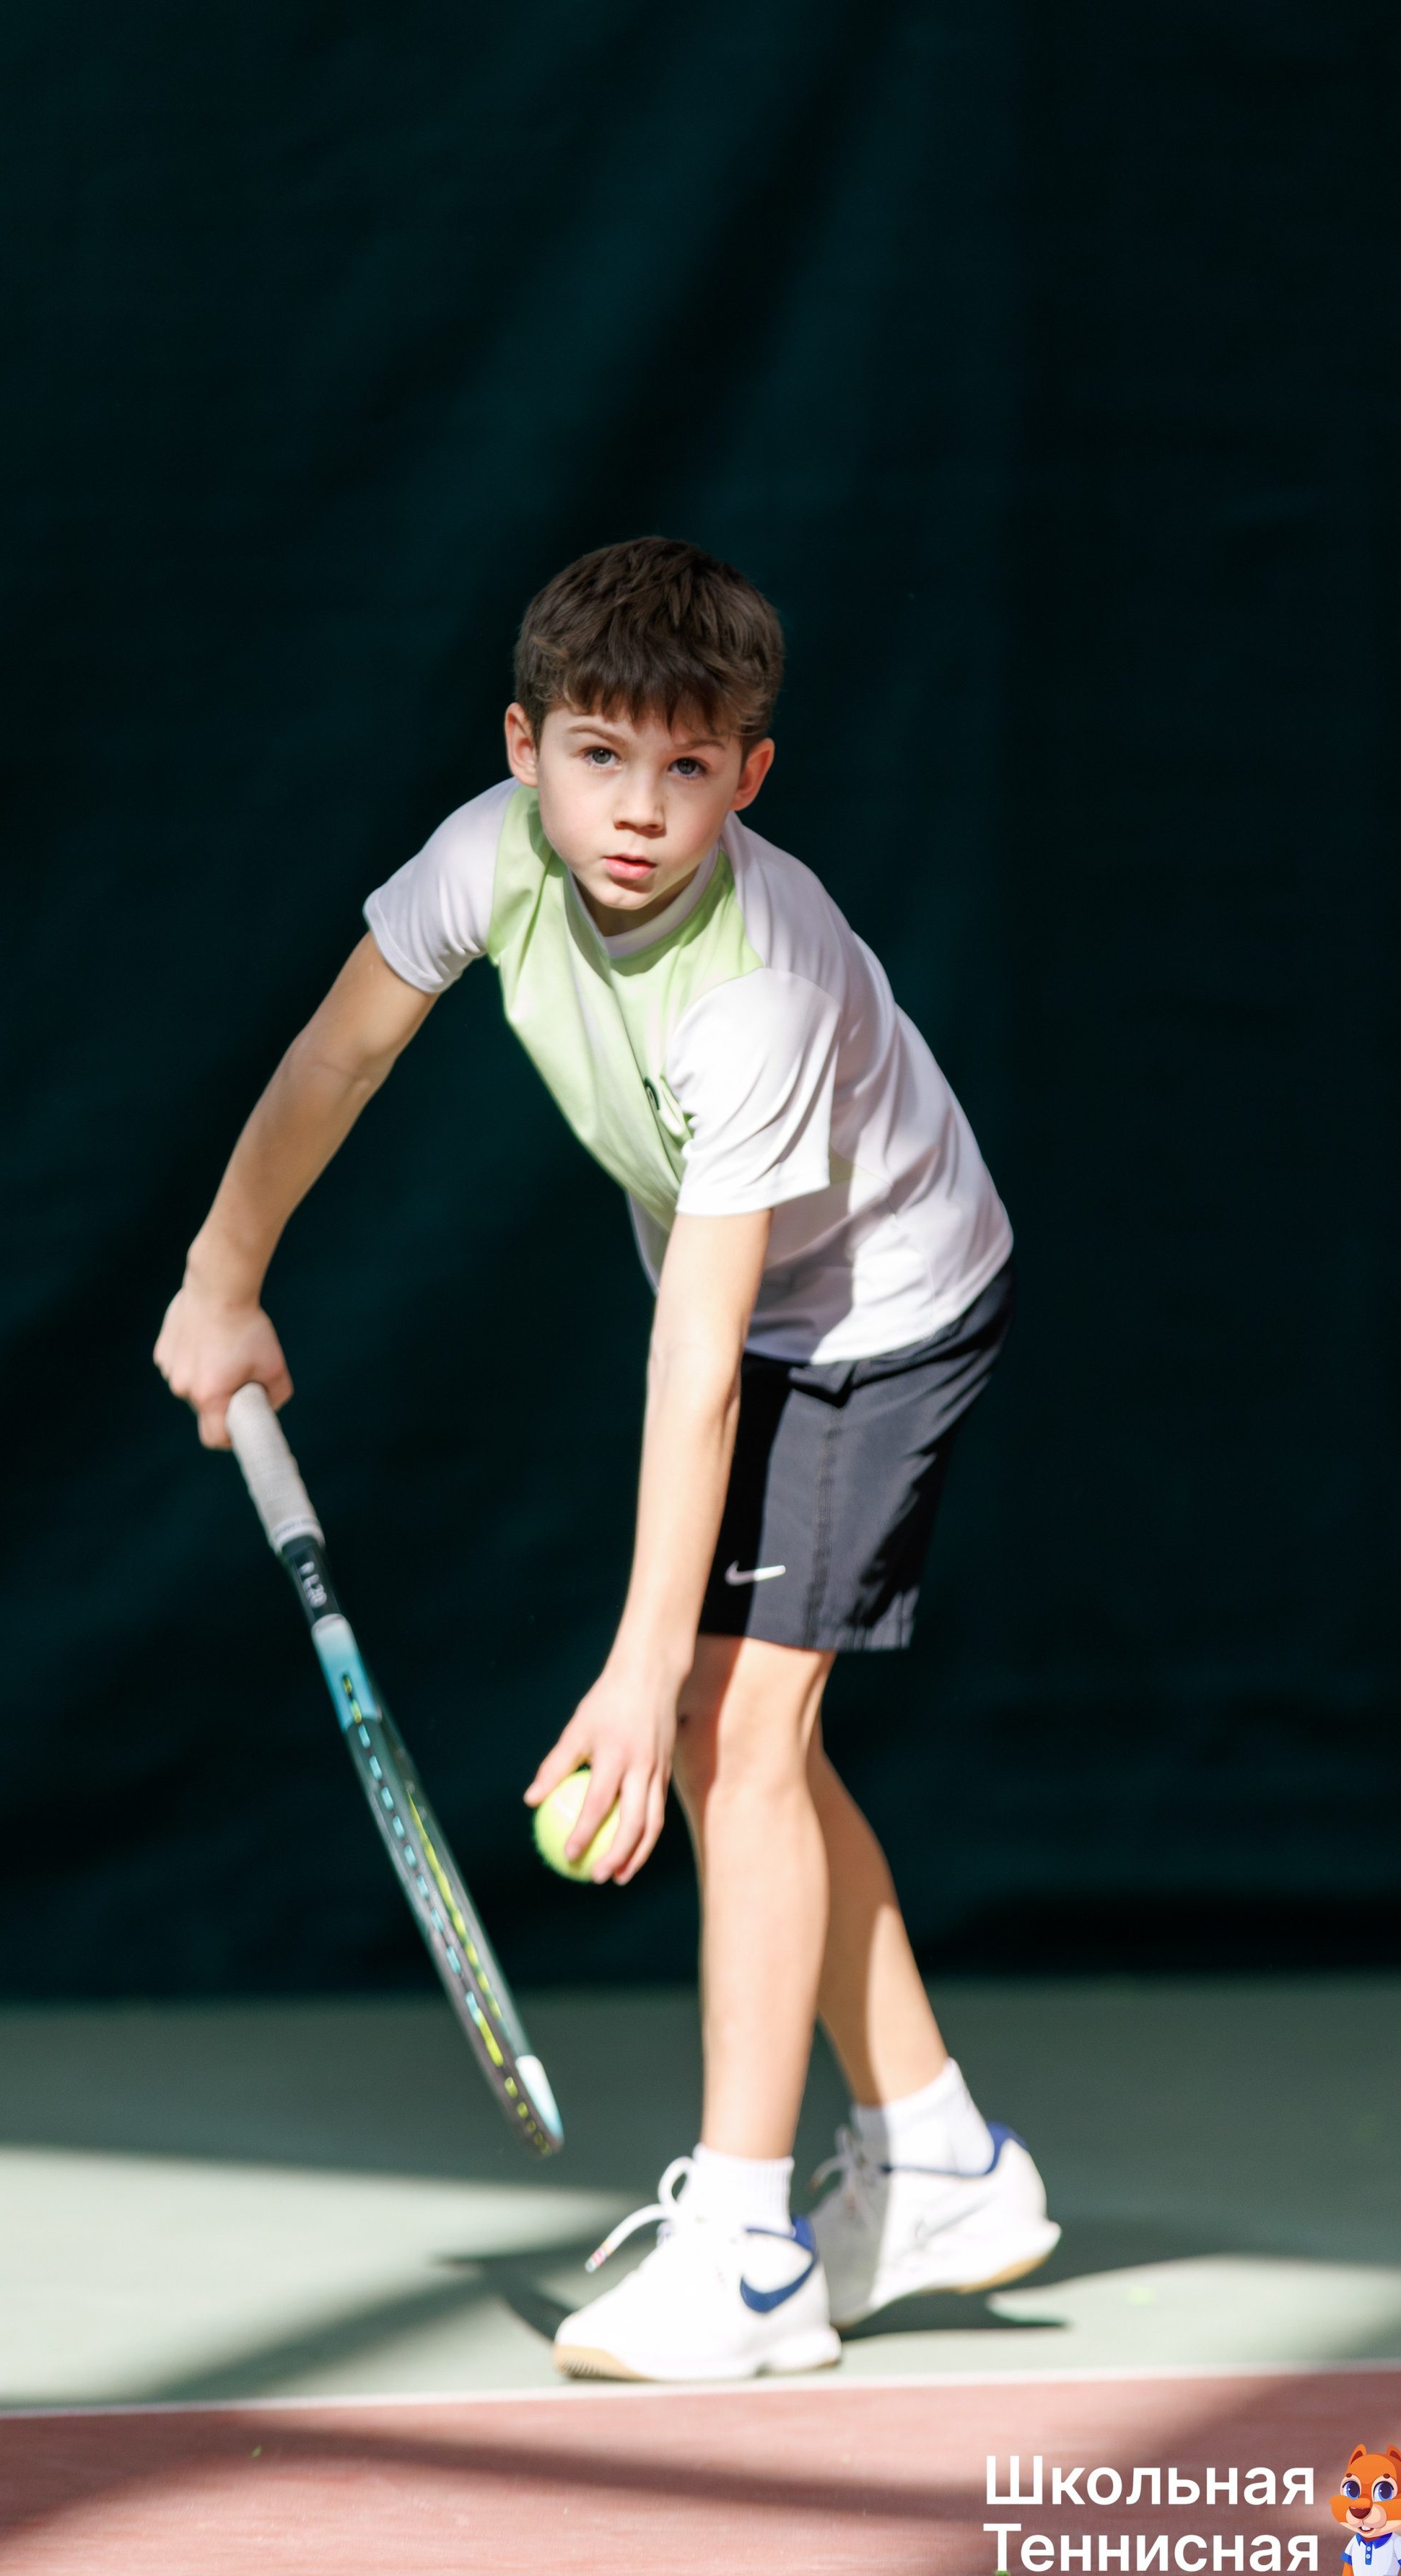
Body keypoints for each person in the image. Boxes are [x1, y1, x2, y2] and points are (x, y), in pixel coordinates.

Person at [154, 535, 1060, 2382]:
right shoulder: (483, 858)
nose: (635, 810)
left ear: (749, 774)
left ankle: (746, 2249)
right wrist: (221, 1271)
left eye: (684, 766)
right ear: (521, 747)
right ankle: (941, 2153)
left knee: (734, 1732)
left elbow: (706, 1348)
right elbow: (337, 1056)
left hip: (880, 1311)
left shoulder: (760, 988)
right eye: (594, 754)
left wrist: (640, 1674)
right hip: (751, 1321)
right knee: (756, 1729)